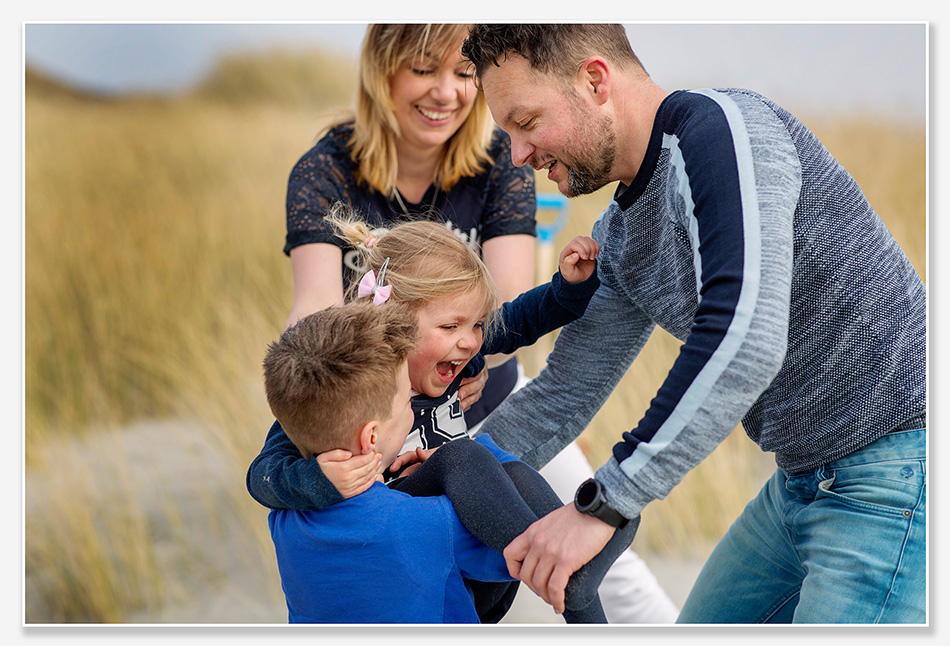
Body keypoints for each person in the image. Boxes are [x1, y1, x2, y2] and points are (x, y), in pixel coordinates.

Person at [461, 24, 927, 623]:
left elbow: (745, 336)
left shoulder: (724, 133)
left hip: (900, 465)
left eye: (526, 122)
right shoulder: (621, 236)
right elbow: (561, 397)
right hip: (800, 481)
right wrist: (456, 465)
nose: (518, 155)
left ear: (595, 81)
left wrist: (605, 504)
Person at [280, 22, 677, 622]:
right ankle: (536, 559)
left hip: (485, 399)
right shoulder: (325, 169)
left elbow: (509, 309)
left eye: (465, 74)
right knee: (440, 546)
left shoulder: (500, 156)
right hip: (382, 423)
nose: (446, 92)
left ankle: (575, 578)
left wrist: (478, 346)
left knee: (605, 564)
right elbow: (314, 306)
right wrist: (315, 392)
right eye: (423, 69)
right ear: (382, 72)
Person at [251, 214, 636, 622]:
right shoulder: (353, 383)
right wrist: (320, 479)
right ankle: (554, 561)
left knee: (505, 467)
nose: (470, 341)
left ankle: (572, 566)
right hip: (407, 551)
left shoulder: (456, 349)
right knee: (464, 455)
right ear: (394, 320)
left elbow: (519, 321)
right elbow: (263, 473)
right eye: (451, 326)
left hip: (469, 556)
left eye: (476, 325)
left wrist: (569, 288)